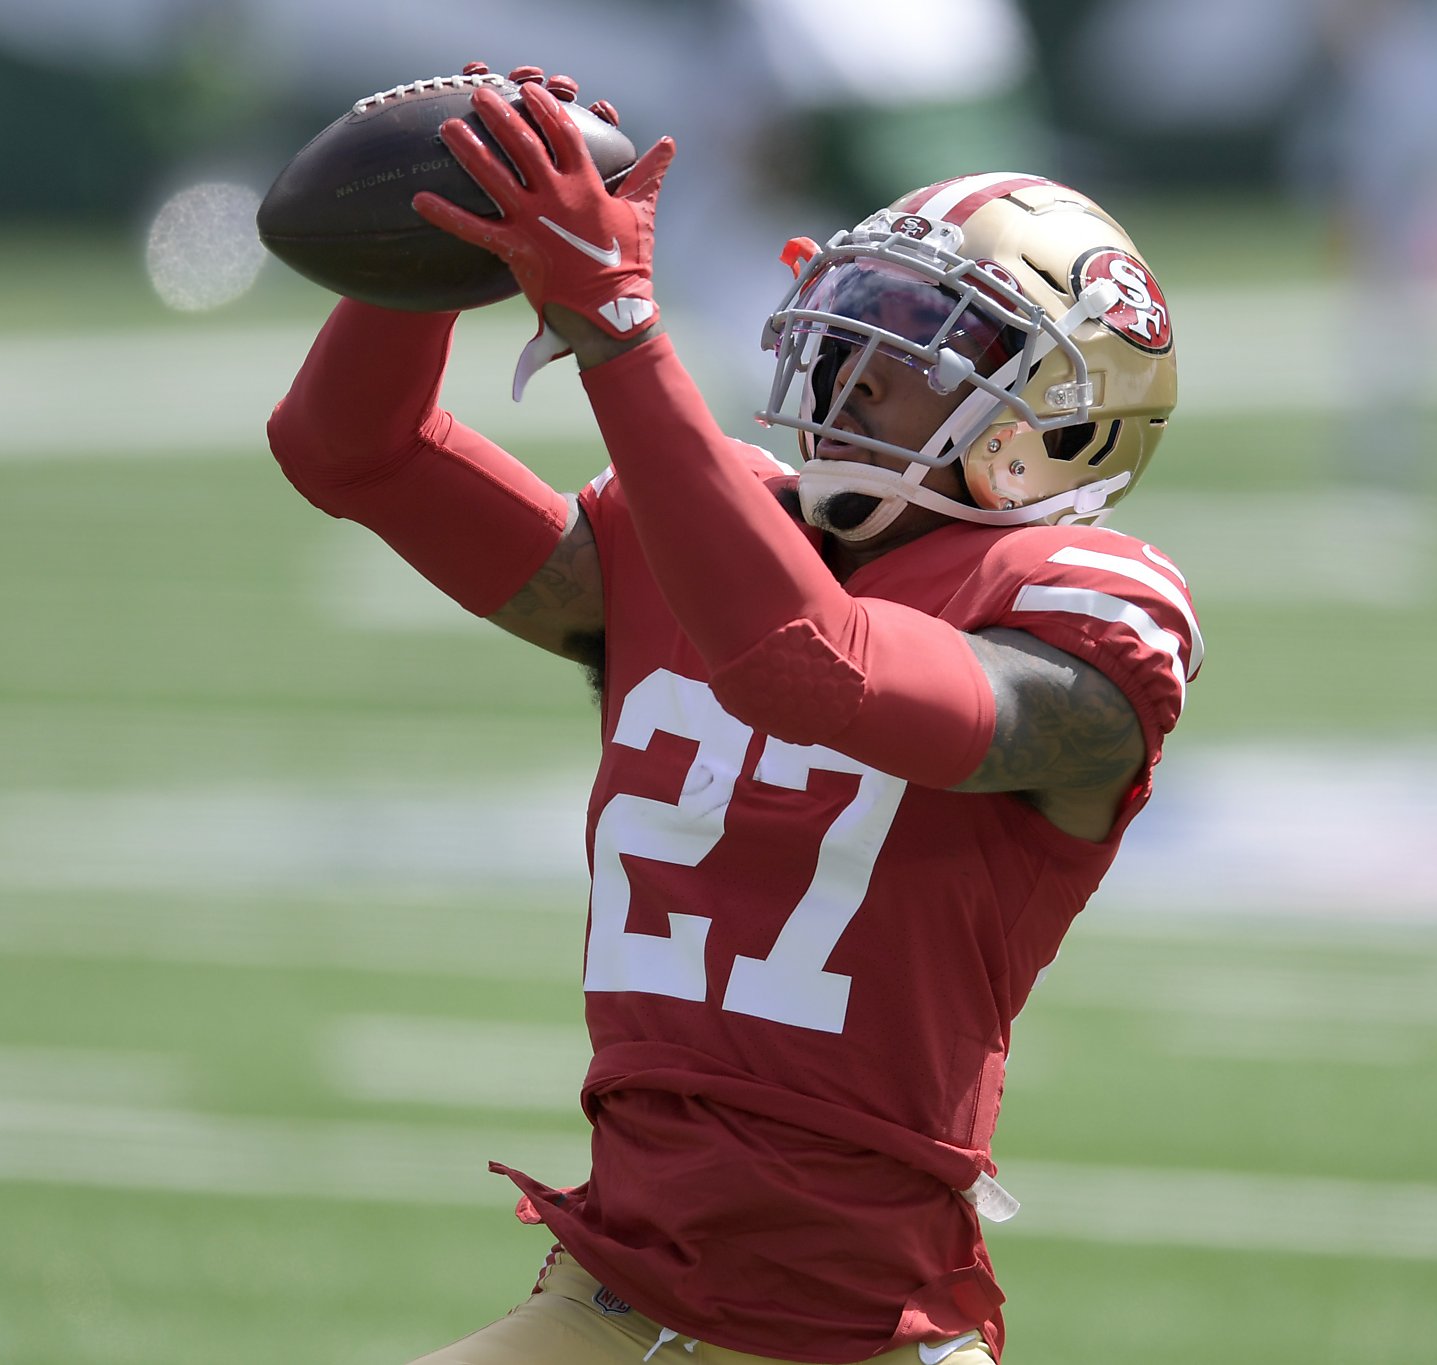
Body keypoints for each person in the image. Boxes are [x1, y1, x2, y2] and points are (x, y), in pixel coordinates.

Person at [267, 71, 1201, 1365]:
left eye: (936, 337)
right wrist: (435, 231)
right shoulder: (689, 537)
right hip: (612, 1302)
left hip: (864, 1332)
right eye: (866, 314)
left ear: (1061, 421)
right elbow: (350, 449)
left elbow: (808, 663)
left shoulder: (1080, 617)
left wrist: (619, 329)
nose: (867, 361)